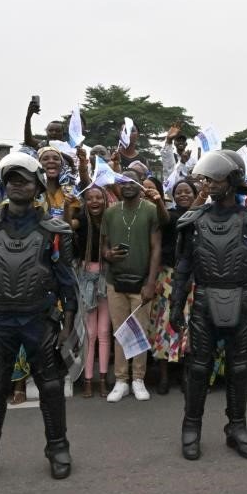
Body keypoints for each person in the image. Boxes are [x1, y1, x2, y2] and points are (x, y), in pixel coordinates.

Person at [0, 152, 77, 484]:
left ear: (38, 184)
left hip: (38, 319)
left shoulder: (56, 231)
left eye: (23, 180)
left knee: (51, 386)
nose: (16, 185)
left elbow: (66, 279)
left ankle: (58, 447)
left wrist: (68, 321)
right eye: (11, 179)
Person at [170, 150, 247, 460]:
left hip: (241, 302)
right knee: (198, 368)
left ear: (234, 180)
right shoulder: (194, 220)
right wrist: (176, 304)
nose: (210, 184)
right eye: (207, 178)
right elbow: (184, 266)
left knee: (240, 369)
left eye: (217, 178)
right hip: (203, 301)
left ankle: (237, 427)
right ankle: (191, 427)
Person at [100, 167, 161, 402]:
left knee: (139, 331)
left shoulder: (151, 210)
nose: (126, 185)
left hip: (141, 282)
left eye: (131, 181)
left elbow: (156, 248)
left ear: (140, 185)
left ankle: (138, 379)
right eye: (122, 181)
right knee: (120, 332)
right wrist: (107, 255)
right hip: (115, 281)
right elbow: (103, 246)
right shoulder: (111, 212)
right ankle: (121, 380)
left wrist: (151, 282)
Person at [150, 180, 198, 394]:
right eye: (179, 192)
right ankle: (164, 376)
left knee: (189, 323)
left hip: (194, 277)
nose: (183, 195)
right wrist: (160, 202)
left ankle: (186, 374)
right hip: (169, 276)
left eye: (188, 191)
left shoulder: (203, 215)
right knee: (165, 324)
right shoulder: (168, 215)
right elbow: (166, 219)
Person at [71, 184, 111, 399]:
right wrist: (69, 208)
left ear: (105, 200)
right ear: (85, 202)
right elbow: (67, 225)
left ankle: (103, 379)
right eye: (90, 198)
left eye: (99, 197)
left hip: (106, 278)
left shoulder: (111, 220)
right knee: (90, 333)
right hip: (85, 276)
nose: (95, 201)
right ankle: (88, 380)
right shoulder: (82, 221)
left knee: (104, 332)